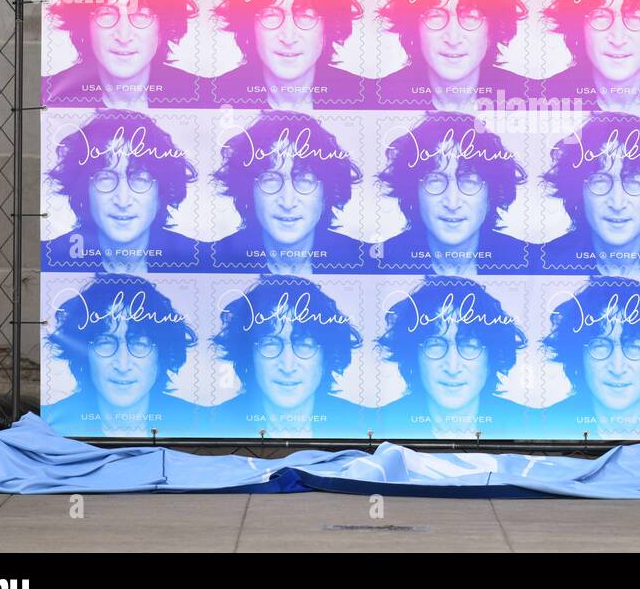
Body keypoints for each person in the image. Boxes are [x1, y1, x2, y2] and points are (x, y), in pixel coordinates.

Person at [43, 0, 206, 109]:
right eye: (106, 13)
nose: (123, 36)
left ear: (162, 28)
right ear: (85, 25)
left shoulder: (202, 97)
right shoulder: (44, 96)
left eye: (141, 15)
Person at [42, 111, 201, 273]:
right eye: (105, 178)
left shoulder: (199, 260)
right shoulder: (47, 259)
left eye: (140, 179)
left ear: (162, 193)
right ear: (84, 190)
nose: (123, 200)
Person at [211, 0, 369, 110]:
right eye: (271, 15)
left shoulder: (365, 98)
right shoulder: (212, 97)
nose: (288, 37)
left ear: (327, 27)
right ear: (249, 26)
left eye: (306, 16)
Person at [375, 112, 533, 274]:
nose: (452, 202)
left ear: (491, 194)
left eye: (469, 181)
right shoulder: (378, 265)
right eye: (435, 180)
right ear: (413, 191)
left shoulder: (529, 263)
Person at [210, 112, 369, 273]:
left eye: (304, 180)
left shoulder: (365, 263)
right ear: (249, 191)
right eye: (270, 180)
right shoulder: (211, 262)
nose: (287, 202)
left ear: (326, 194)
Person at [45, 275, 202, 437]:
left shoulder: (199, 424)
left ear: (161, 356)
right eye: (105, 342)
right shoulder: (50, 427)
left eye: (140, 344)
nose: (122, 365)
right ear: (84, 354)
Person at [541, 112, 640, 276]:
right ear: (579, 192)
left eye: (634, 181)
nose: (617, 203)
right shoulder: (546, 263)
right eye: (599, 181)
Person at [375, 276, 531, 439]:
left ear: (491, 358)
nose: (452, 367)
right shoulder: (380, 424)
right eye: (435, 345)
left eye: (469, 345)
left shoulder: (529, 425)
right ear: (413, 356)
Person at [210, 275, 365, 438]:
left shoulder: (360, 424)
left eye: (304, 345)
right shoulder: (213, 424)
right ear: (249, 355)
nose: (288, 366)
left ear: (326, 357)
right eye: (270, 344)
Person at [375, 0, 530, 110]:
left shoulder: (529, 99)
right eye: (435, 15)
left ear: (492, 28)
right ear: (414, 27)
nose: (453, 38)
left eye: (471, 16)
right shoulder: (379, 99)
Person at [541, 277, 640, 440]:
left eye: (634, 346)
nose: (617, 367)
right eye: (599, 346)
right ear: (579, 358)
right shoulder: (544, 425)